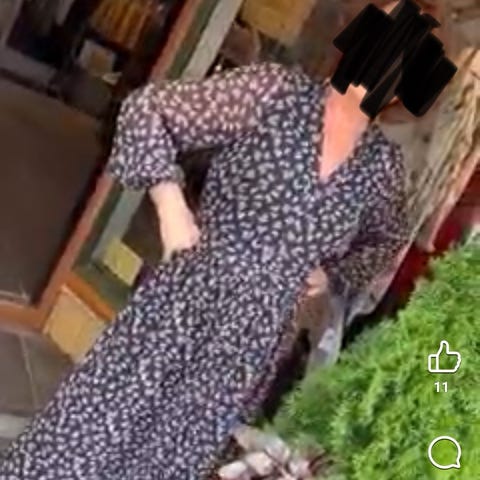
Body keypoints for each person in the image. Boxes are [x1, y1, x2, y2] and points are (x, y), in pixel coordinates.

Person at [1, 1, 440, 478]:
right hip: (186, 303)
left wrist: (330, 275)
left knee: (169, 460)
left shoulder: (380, 167)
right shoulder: (276, 92)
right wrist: (170, 203)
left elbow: (384, 241)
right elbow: (148, 110)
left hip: (252, 345)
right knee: (93, 431)